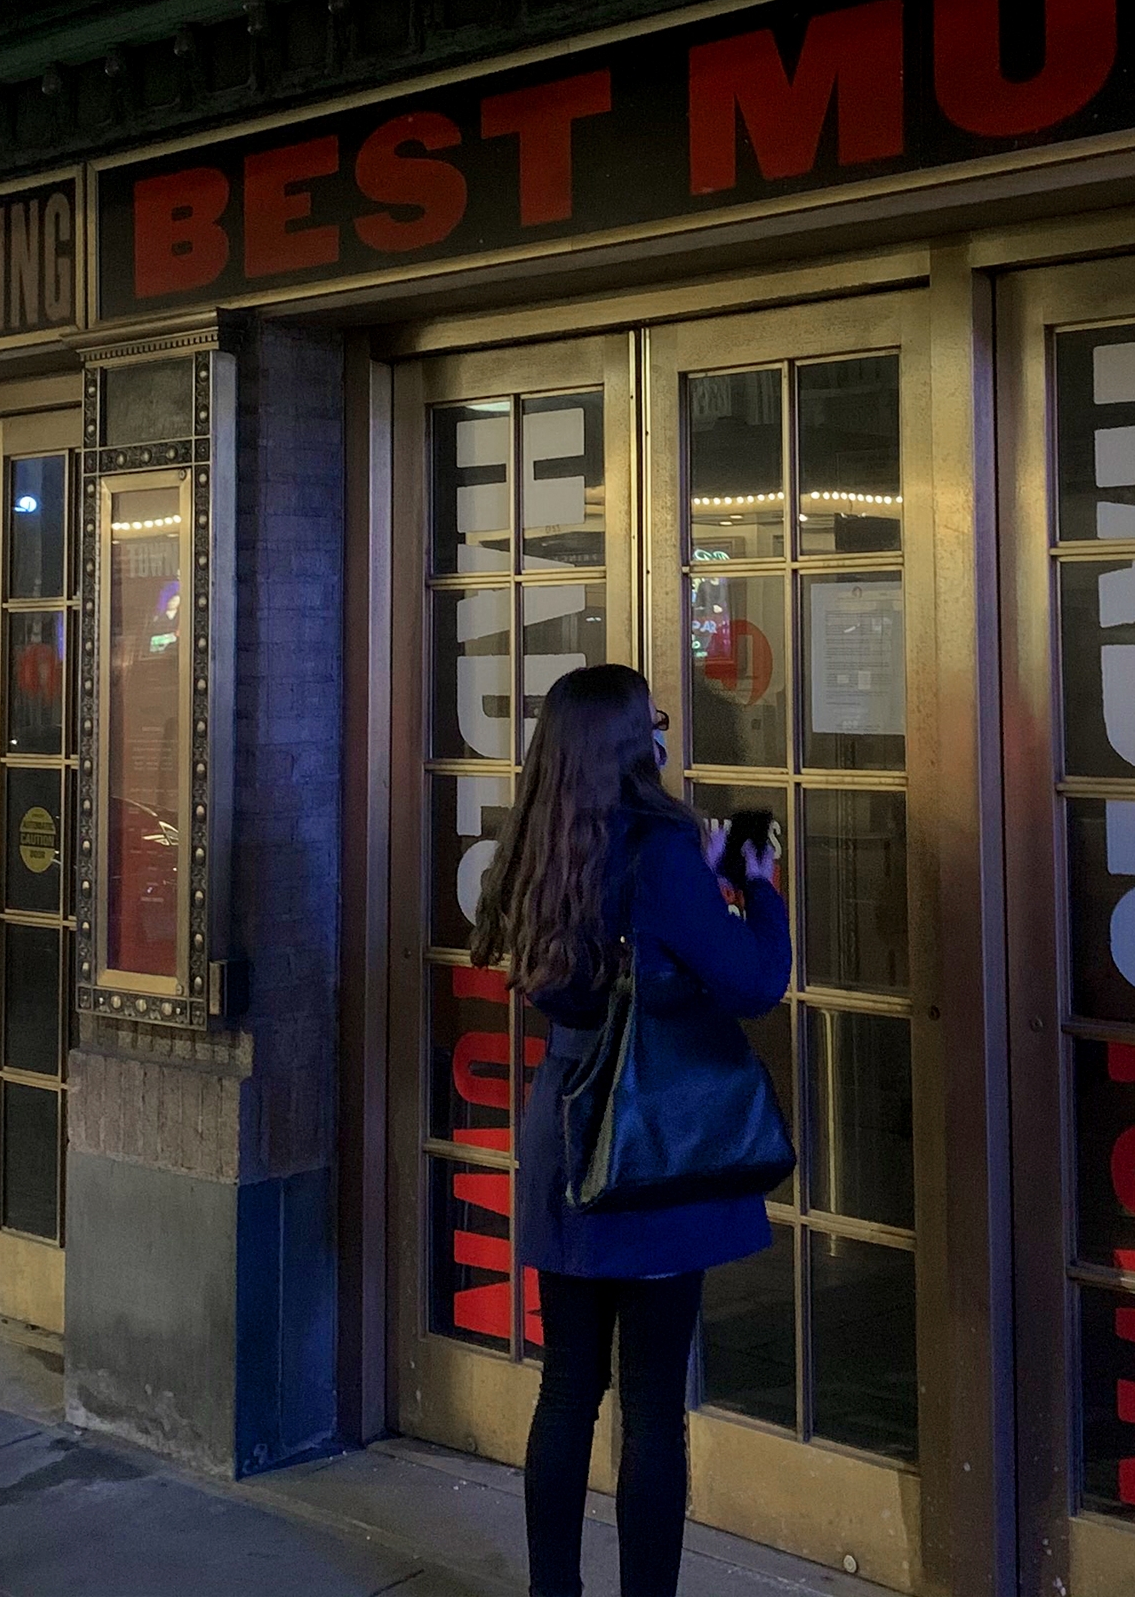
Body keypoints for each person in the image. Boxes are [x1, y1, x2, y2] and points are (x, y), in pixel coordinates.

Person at [471, 662, 788, 1597]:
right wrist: (756, 877)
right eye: (650, 720)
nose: (661, 733)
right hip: (645, 1140)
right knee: (653, 1401)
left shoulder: (535, 843)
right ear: (630, 743)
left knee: (568, 1385)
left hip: (563, 1128)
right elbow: (754, 983)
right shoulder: (662, 849)